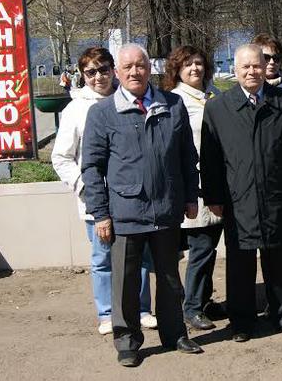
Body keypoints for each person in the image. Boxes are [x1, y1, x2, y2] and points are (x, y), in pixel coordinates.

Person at [82, 43, 202, 367]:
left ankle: (175, 334)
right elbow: (91, 168)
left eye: (141, 65)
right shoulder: (102, 113)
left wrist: (191, 196)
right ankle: (128, 342)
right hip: (125, 213)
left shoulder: (172, 104)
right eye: (128, 67)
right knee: (126, 282)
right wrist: (101, 213)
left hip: (166, 209)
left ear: (150, 68)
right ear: (117, 73)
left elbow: (187, 157)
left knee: (169, 279)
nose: (135, 71)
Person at [201, 44, 282, 342]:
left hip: (278, 195)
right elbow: (210, 158)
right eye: (245, 67)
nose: (252, 71)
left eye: (257, 65)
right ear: (235, 70)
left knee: (281, 261)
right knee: (240, 264)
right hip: (237, 199)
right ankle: (243, 322)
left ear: (266, 67)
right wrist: (214, 197)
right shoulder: (218, 108)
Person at [51, 47, 157, 336]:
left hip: (133, 198)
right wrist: (86, 187)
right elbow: (61, 157)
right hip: (97, 202)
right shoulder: (76, 109)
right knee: (103, 258)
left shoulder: (132, 99)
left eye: (104, 69)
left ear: (114, 70)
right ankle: (108, 313)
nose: (99, 77)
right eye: (90, 72)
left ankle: (142, 308)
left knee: (141, 256)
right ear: (82, 76)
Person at [161, 46, 224, 331]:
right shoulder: (174, 101)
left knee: (209, 246)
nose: (195, 69)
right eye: (187, 65)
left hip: (218, 185)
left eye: (199, 63)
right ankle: (192, 307)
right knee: (201, 248)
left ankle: (205, 301)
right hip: (195, 188)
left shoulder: (213, 95)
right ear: (177, 70)